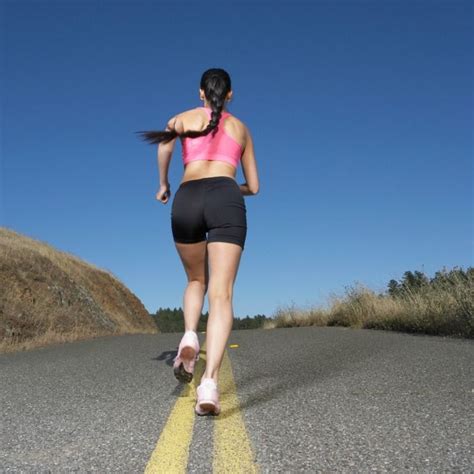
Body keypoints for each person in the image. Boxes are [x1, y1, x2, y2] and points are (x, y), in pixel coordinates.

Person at [136, 68, 259, 416]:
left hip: (187, 197)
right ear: (230, 94)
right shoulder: (241, 129)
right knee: (222, 294)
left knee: (195, 280)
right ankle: (209, 384)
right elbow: (254, 187)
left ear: (201, 93)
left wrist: (163, 184)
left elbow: (164, 144)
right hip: (226, 198)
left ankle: (190, 335)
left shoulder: (183, 118)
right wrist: (228, 189)